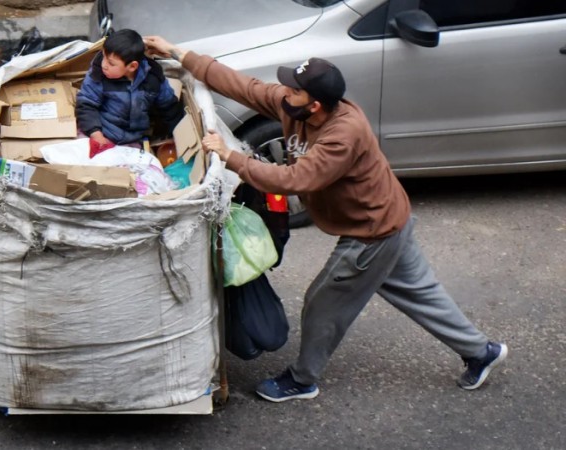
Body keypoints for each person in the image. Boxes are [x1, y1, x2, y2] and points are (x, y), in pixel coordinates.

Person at [144, 35, 508, 402]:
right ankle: (482, 352)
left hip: (371, 232)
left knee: (323, 305)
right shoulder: (296, 106)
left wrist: (230, 156)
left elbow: (295, 179)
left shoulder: (342, 135)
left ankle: (302, 380)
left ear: (315, 105)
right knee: (422, 294)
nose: (284, 92)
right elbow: (245, 86)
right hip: (391, 219)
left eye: (293, 90)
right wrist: (177, 52)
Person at [76, 29, 183, 157]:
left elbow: (170, 109)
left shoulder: (153, 78)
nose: (104, 64)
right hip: (101, 133)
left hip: (133, 141)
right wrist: (96, 134)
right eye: (104, 56)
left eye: (111, 63)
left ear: (132, 66)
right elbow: (86, 104)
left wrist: (178, 138)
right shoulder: (98, 73)